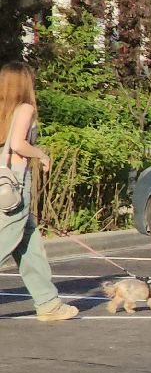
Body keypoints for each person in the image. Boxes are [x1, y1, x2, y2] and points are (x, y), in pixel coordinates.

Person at [0, 61, 79, 322]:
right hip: (15, 185)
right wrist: (41, 154)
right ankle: (48, 304)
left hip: (3, 183)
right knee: (4, 241)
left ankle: (48, 303)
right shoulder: (25, 108)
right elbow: (18, 144)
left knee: (30, 246)